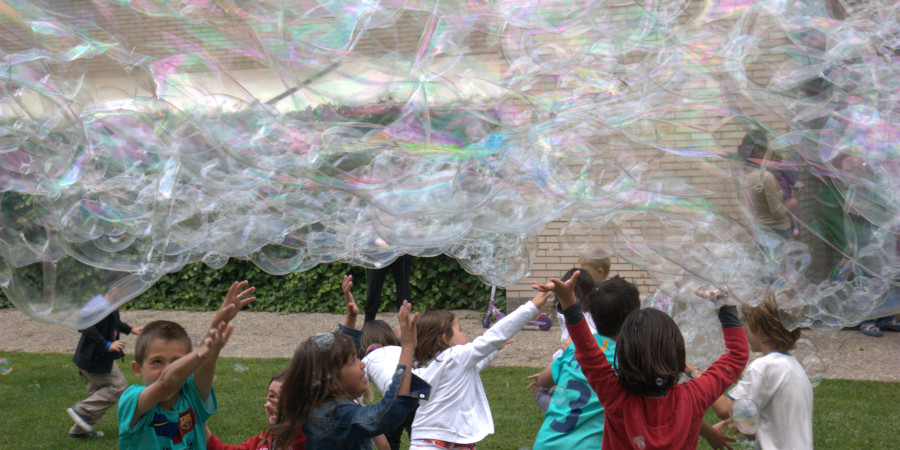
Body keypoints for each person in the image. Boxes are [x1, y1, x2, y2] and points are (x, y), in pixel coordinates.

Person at [534, 271, 749, 449]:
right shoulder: (694, 396)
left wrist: (569, 301)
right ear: (677, 353)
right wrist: (725, 307)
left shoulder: (615, 396)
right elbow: (737, 356)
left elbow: (587, 349)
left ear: (624, 353)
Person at [270, 301, 429, 450]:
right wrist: (407, 347)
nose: (362, 364)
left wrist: (351, 319)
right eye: (354, 360)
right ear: (332, 381)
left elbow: (333, 358)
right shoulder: (337, 417)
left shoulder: (320, 405)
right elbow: (386, 414)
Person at [117, 281, 256, 449]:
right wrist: (199, 354)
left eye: (178, 361)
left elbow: (207, 362)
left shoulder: (191, 397)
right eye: (157, 362)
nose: (167, 369)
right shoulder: (132, 400)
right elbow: (166, 384)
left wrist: (220, 320)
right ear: (138, 368)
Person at [408, 290, 552, 449]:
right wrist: (533, 305)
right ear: (445, 339)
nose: (465, 334)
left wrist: (494, 349)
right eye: (460, 329)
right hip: (444, 442)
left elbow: (475, 366)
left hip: (426, 441)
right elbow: (495, 335)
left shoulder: (427, 365)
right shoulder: (456, 355)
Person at [528, 276, 640, 448]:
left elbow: (544, 380)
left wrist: (541, 378)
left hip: (547, 443)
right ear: (633, 318)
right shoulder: (627, 360)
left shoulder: (576, 346)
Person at [708, 293, 813, 449]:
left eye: (747, 325)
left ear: (758, 328)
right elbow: (782, 422)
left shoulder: (764, 367)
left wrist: (695, 374)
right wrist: (752, 428)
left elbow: (724, 409)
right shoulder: (794, 367)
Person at [67, 300, 143, 439]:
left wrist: (131, 330)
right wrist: (107, 345)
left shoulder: (111, 306)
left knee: (99, 399)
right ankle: (80, 411)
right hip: (94, 361)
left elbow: (114, 323)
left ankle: (78, 431)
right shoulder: (99, 306)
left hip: (91, 360)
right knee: (118, 387)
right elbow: (86, 327)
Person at [535, 268, 596, 411]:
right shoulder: (593, 311)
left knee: (542, 393)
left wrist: (548, 373)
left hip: (571, 362)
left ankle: (563, 413)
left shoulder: (569, 312)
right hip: (585, 364)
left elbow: (569, 347)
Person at [206, 370, 307, 450]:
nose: (275, 404)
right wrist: (203, 428)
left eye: (283, 399)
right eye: (272, 397)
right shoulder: (261, 441)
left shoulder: (304, 440)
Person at [739, 130, 798, 239]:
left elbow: (750, 208)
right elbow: (778, 213)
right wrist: (791, 203)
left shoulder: (746, 174)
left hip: (760, 230)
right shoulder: (766, 177)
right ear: (759, 151)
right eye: (769, 146)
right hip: (777, 231)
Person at [365, 254, 413, 323]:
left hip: (399, 248)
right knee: (373, 286)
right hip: (377, 250)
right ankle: (368, 322)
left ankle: (406, 322)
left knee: (403, 287)